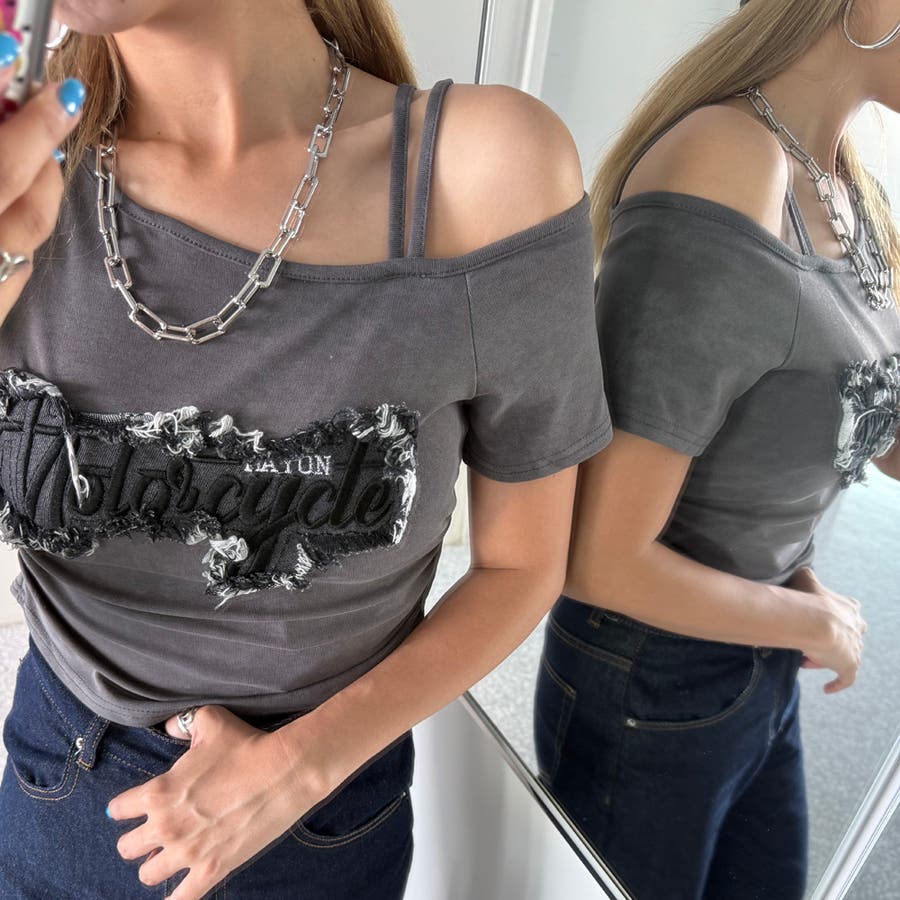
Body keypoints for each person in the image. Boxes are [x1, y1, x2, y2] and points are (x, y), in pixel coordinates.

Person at [0, 2, 612, 898]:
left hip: (318, 820)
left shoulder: (481, 176)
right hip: (53, 782)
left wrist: (300, 766)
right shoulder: (24, 171)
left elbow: (525, 564)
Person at [534, 1, 900, 899]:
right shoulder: (730, 161)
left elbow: (873, 432)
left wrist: (788, 587)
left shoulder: (848, 189)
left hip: (754, 635)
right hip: (652, 672)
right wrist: (813, 624)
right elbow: (595, 557)